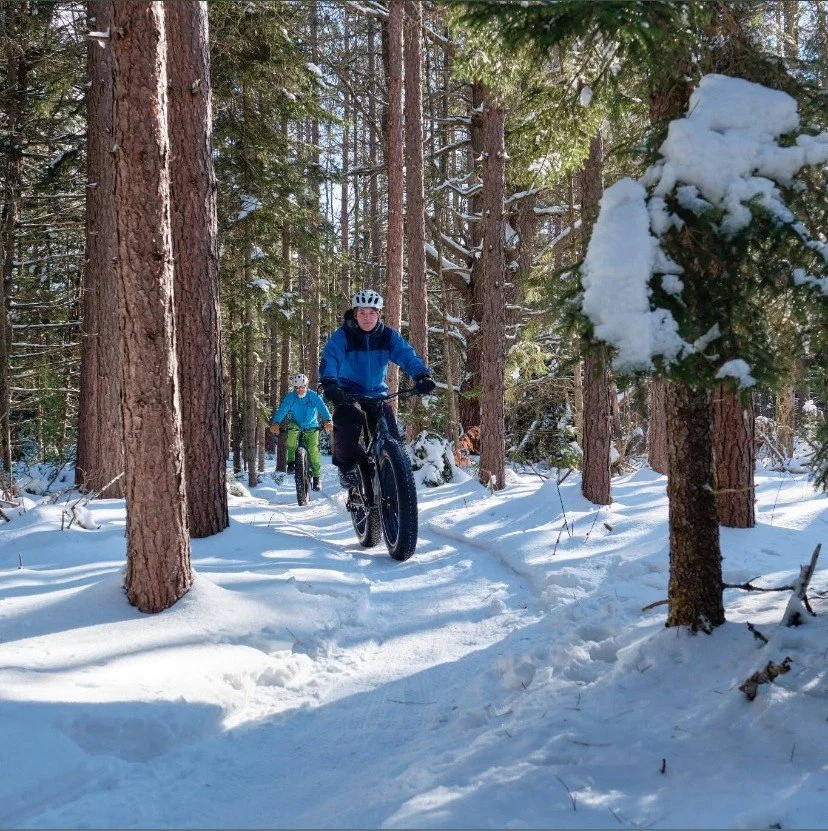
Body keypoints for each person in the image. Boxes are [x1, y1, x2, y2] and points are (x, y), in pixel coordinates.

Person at [319, 289, 436, 488]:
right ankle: (346, 468)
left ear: (378, 314)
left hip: (376, 394)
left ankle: (394, 485)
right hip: (348, 392)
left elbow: (407, 356)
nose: (367, 318)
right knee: (347, 421)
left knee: (391, 436)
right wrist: (330, 381)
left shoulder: (387, 336)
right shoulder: (343, 336)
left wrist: (422, 375)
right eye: (362, 313)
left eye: (372, 313)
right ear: (355, 315)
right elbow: (331, 358)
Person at [269, 373, 333, 491]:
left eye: (302, 387)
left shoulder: (313, 396)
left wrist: (328, 420)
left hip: (311, 425)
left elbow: (322, 408)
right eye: (297, 387)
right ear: (294, 387)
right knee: (292, 434)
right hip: (296, 424)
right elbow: (282, 410)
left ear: (306, 385)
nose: (300, 390)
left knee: (313, 449)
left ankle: (316, 477)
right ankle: (291, 463)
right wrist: (276, 423)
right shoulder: (290, 397)